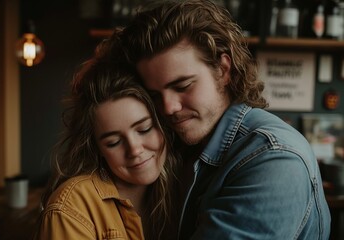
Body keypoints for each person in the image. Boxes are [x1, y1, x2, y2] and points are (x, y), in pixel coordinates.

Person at [118, 0, 331, 239]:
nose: (168, 107)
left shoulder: (274, 157)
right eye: (155, 95)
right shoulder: (180, 146)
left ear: (223, 70)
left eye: (182, 86)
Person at [32, 38, 179, 240]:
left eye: (144, 129)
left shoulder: (181, 190)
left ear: (162, 125)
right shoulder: (72, 206)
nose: (134, 149)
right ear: (98, 148)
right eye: (113, 142)